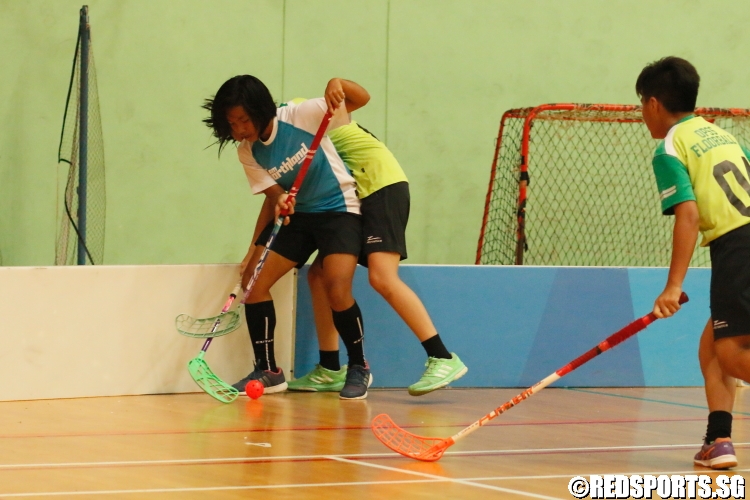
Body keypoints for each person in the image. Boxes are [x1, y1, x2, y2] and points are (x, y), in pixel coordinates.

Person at [203, 75, 374, 400]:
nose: (239, 128)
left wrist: (338, 83)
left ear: (260, 109)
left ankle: (359, 366)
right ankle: (268, 370)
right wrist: (281, 198)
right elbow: (274, 195)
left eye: (243, 119)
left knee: (336, 286)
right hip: (301, 217)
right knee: (253, 283)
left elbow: (361, 98)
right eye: (232, 122)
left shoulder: (301, 116)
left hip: (340, 209)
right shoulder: (248, 152)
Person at [280, 106, 467, 396]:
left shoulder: (300, 116)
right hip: (357, 197)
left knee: (382, 277)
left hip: (382, 186)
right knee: (318, 276)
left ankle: (442, 356)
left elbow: (351, 98)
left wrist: (336, 85)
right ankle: (329, 368)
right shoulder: (283, 138)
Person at [636, 56, 750, 469]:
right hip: (741, 244)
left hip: (738, 246)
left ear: (652, 103)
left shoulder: (670, 147)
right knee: (714, 347)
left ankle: (719, 439)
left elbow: (688, 215)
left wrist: (672, 286)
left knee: (735, 352)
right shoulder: (725, 137)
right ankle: (718, 440)